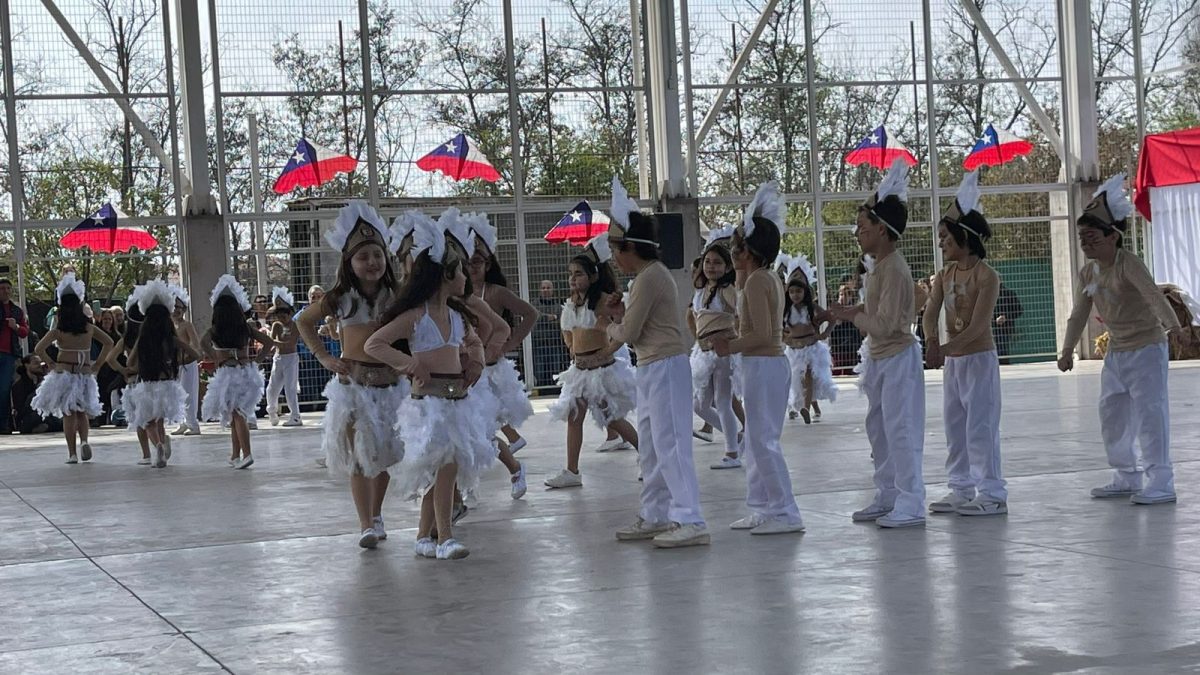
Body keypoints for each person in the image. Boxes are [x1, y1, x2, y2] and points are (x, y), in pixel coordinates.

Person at [365, 212, 495, 561]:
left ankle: (424, 536)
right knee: (447, 465)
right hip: (429, 405)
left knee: (444, 470)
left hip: (458, 401)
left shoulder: (456, 316)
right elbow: (374, 344)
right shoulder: (416, 316)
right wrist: (410, 364)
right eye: (460, 270)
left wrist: (476, 361)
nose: (466, 276)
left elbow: (475, 342)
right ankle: (446, 538)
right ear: (443, 275)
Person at [599, 176, 709, 548]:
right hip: (651, 366)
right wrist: (619, 316)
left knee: (672, 443)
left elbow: (628, 332)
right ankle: (655, 513)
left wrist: (611, 324)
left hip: (665, 366)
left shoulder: (651, 277)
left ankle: (690, 518)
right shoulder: (644, 278)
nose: (614, 257)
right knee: (650, 445)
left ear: (631, 247)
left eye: (616, 249)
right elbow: (632, 325)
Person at [1058, 174, 1182, 505]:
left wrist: (1174, 328)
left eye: (1091, 236)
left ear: (1113, 236)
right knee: (1111, 414)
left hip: (1146, 349)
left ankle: (1161, 481)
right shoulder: (1088, 273)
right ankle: (1126, 475)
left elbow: (1154, 296)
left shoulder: (1129, 265)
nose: (1085, 243)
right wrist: (1068, 349)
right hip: (1116, 354)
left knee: (1150, 413)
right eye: (1081, 238)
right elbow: (1078, 313)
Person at [298, 202, 407, 548]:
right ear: (349, 262)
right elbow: (303, 321)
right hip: (353, 388)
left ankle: (376, 514)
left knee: (384, 456)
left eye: (377, 255)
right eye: (363, 257)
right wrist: (324, 357)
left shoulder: (398, 295)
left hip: (391, 387)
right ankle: (365, 524)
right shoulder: (341, 297)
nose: (372, 262)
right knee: (360, 458)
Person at [828, 159, 926, 529]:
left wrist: (853, 316)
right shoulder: (879, 268)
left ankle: (911, 501)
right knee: (880, 429)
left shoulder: (895, 269)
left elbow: (886, 324)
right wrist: (845, 311)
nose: (857, 232)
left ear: (883, 231)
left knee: (901, 430)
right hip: (882, 359)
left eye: (863, 227)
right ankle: (887, 494)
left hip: (898, 357)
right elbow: (873, 312)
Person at [712, 181, 805, 535]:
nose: (732, 253)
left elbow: (765, 335)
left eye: (737, 248)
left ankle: (786, 511)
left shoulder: (759, 281)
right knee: (755, 439)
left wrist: (729, 345)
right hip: (761, 365)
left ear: (749, 250)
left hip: (765, 364)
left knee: (763, 440)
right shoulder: (759, 278)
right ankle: (764, 506)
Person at [923, 171, 1008, 516]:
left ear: (965, 237)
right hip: (954, 363)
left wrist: (943, 349)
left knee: (980, 426)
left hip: (978, 360)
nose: (941, 243)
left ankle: (992, 492)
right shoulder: (944, 275)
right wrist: (931, 338)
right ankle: (960, 486)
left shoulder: (987, 276)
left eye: (945, 237)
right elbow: (930, 312)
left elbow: (978, 325)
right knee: (955, 426)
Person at [546, 233, 639, 488]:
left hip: (600, 372)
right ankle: (572, 470)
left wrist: (607, 351)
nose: (573, 278)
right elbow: (568, 333)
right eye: (571, 273)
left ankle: (646, 453)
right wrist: (572, 348)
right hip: (579, 371)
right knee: (574, 417)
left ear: (593, 276)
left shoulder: (602, 301)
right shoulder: (572, 304)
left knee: (612, 417)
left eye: (579, 274)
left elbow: (623, 328)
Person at [466, 217, 537, 455]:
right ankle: (512, 441)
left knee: (490, 410)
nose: (472, 267)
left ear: (488, 265)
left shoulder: (496, 292)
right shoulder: (458, 293)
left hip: (492, 363)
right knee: (486, 411)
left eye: (477, 262)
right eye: (467, 263)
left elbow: (530, 314)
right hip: (469, 363)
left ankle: (509, 448)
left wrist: (512, 342)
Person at [32, 273, 115, 463]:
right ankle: (84, 441)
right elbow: (109, 342)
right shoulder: (88, 327)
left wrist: (51, 363)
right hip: (85, 372)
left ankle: (72, 453)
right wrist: (99, 364)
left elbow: (38, 348)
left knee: (68, 414)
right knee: (82, 412)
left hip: (64, 372)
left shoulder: (58, 330)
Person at [121, 280, 201, 468]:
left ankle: (157, 445)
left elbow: (130, 362)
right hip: (167, 384)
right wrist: (179, 361)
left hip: (147, 383)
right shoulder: (171, 338)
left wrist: (139, 365)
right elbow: (196, 354)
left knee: (148, 421)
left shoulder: (143, 337)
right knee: (160, 421)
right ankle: (162, 445)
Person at [201, 275, 276, 469]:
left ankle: (247, 453)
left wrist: (215, 356)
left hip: (227, 373)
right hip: (246, 371)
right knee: (236, 415)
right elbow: (268, 342)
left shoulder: (214, 330)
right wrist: (256, 360)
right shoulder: (245, 327)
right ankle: (235, 454)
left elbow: (202, 343)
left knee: (237, 415)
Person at [688, 226, 743, 469]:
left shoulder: (726, 290)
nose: (711, 267)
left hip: (723, 351)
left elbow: (742, 312)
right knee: (700, 405)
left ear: (727, 267)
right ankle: (738, 438)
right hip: (703, 352)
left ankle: (732, 452)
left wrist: (736, 338)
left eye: (718, 263)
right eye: (708, 262)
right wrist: (697, 338)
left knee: (722, 401)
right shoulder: (701, 290)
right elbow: (692, 317)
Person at [783, 254, 837, 424]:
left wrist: (824, 333)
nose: (795, 295)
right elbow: (779, 328)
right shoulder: (786, 310)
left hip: (810, 348)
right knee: (794, 380)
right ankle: (799, 406)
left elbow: (831, 318)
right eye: (791, 292)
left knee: (808, 377)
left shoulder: (811, 307)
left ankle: (805, 408)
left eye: (798, 291)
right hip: (793, 350)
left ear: (805, 291)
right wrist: (784, 338)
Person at [107, 294, 155, 464]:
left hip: (134, 381)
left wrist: (123, 370)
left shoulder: (126, 339)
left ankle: (147, 454)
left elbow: (110, 358)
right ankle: (160, 443)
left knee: (140, 421)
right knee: (153, 418)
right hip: (151, 380)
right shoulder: (152, 336)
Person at [265, 287, 303, 427]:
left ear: (290, 314)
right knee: (272, 388)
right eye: (279, 316)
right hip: (278, 358)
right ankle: (272, 411)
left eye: (284, 316)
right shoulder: (276, 325)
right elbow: (271, 342)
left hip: (291, 358)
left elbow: (290, 343)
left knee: (290, 388)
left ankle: (295, 416)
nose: (282, 319)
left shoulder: (295, 325)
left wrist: (275, 342)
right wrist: (275, 343)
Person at [170, 288, 203, 435]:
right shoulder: (170, 326)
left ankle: (193, 424)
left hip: (188, 363)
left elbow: (196, 344)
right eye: (174, 307)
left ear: (184, 310)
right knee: (177, 394)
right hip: (175, 365)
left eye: (179, 307)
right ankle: (181, 422)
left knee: (188, 394)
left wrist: (191, 355)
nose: (176, 310)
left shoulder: (187, 325)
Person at [0, 277, 30, 434]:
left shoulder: (17, 311)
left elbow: (25, 332)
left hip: (9, 355)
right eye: (2, 288)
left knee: (4, 389)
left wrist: (16, 326)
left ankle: (4, 424)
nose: (5, 291)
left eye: (7, 288)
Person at [533, 279, 569, 389]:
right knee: (540, 372)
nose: (545, 290)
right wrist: (550, 317)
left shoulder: (559, 306)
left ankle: (555, 392)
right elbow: (534, 317)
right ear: (540, 290)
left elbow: (561, 322)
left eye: (548, 288)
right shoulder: (534, 305)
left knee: (555, 371)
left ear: (552, 290)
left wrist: (543, 318)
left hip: (554, 344)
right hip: (538, 344)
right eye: (543, 288)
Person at [12, 355, 59, 434]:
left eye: (40, 363)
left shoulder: (42, 380)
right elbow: (21, 408)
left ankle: (45, 426)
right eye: (36, 363)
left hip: (44, 413)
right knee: (37, 395)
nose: (39, 365)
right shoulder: (19, 385)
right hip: (28, 416)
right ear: (27, 365)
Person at [993, 282, 1023, 364]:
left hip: (1005, 328)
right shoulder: (986, 294)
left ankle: (1002, 365)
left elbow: (1019, 310)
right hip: (991, 328)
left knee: (1001, 349)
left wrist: (1006, 317)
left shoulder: (1009, 294)